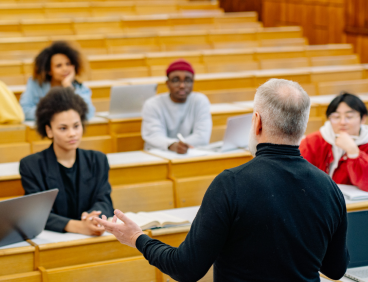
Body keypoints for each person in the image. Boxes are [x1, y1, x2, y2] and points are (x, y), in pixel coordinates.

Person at [96, 79, 349, 282]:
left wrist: (137, 238)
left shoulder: (232, 184)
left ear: (256, 122)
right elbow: (336, 270)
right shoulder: (328, 187)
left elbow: (186, 269)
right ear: (302, 126)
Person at [20, 87, 113, 235]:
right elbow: (37, 214)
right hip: (53, 239)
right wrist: (79, 226)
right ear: (49, 131)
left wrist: (92, 217)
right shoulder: (31, 165)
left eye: (76, 126)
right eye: (63, 128)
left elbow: (105, 202)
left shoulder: (98, 160)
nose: (72, 134)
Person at [141, 59, 212, 154]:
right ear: (167, 83)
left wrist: (181, 146)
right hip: (160, 155)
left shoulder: (200, 101)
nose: (182, 85)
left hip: (191, 154)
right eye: (175, 80)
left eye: (187, 80)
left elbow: (202, 136)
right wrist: (172, 145)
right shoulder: (152, 104)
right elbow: (153, 135)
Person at [300, 92, 368, 191]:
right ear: (329, 119)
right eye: (336, 117)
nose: (343, 122)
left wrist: (354, 153)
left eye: (349, 117)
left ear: (363, 119)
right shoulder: (313, 141)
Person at [20, 41, 95, 121]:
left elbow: (88, 113)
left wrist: (68, 87)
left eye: (68, 64)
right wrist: (58, 113)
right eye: (58, 66)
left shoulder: (78, 86)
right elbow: (24, 111)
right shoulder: (35, 83)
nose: (65, 69)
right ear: (49, 70)